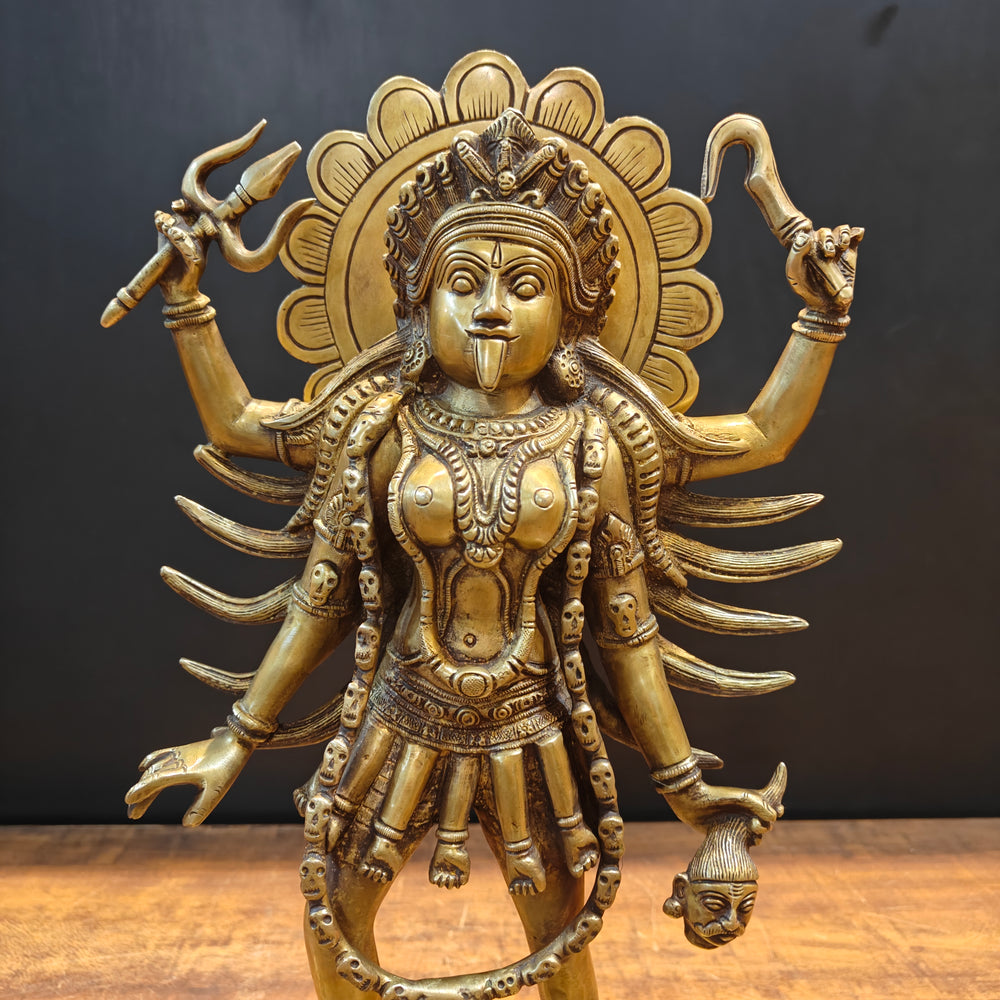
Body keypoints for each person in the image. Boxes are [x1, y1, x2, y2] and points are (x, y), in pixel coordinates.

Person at [125, 109, 860, 1000]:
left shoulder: (593, 445)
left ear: (573, 316)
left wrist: (822, 315)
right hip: (400, 714)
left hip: (531, 726)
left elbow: (635, 624)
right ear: (417, 307)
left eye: (526, 285)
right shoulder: (381, 431)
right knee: (334, 915)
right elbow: (313, 584)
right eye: (463, 281)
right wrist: (235, 739)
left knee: (558, 936)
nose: (492, 308)